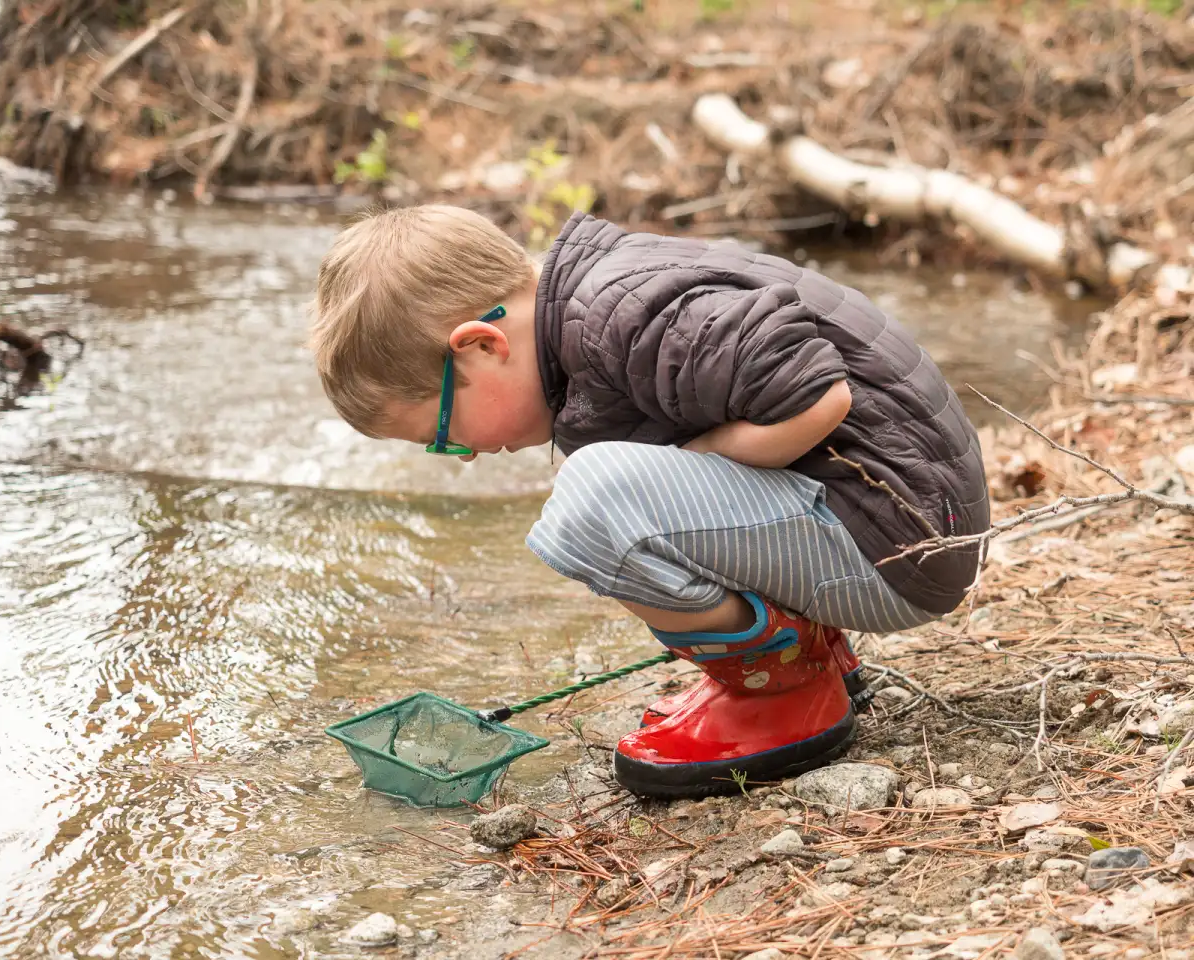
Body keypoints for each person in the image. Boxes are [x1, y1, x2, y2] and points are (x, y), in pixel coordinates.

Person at [310, 204, 991, 798]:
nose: (463, 457)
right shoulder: (597, 307)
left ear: (483, 346)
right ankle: (798, 656)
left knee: (592, 504)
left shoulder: (619, 315)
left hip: (900, 547)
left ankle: (782, 690)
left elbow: (819, 395)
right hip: (897, 524)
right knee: (617, 487)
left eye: (443, 435)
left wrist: (682, 469)